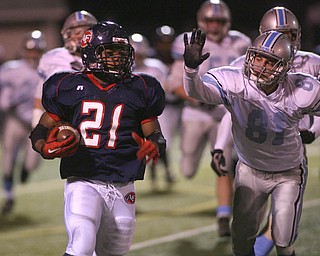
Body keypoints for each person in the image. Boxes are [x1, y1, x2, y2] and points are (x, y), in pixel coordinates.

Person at [29, 21, 166, 256]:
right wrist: (44, 147)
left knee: (115, 250)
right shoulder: (67, 85)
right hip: (84, 179)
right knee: (81, 245)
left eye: (121, 53)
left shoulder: (141, 87)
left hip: (123, 182)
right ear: (91, 53)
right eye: (110, 52)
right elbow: (40, 129)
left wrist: (154, 145)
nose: (118, 59)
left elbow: (154, 133)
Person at [183, 28, 320, 256]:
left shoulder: (302, 88)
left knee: (283, 239)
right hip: (250, 170)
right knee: (241, 242)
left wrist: (314, 130)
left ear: (284, 66)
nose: (260, 65)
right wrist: (190, 69)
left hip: (288, 173)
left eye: (269, 61)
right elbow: (200, 93)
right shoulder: (234, 79)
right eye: (257, 57)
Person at [168, 0, 251, 236]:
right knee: (188, 169)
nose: (214, 26)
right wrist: (199, 97)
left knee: (222, 163)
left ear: (228, 22)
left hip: (224, 113)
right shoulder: (187, 41)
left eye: (219, 21)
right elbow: (173, 83)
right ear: (201, 21)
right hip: (196, 113)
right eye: (210, 21)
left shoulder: (240, 43)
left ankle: (224, 215)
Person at [0, 30, 47, 214]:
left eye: (36, 51)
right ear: (23, 51)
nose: (33, 55)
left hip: (37, 124)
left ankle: (24, 173)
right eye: (30, 51)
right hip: (16, 119)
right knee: (9, 157)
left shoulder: (48, 69)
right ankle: (9, 195)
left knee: (31, 164)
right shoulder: (11, 69)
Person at [32, 10, 98, 128]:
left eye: (85, 31)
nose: (79, 35)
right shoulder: (52, 58)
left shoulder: (102, 57)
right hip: (59, 119)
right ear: (66, 34)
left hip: (93, 117)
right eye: (74, 31)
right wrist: (37, 117)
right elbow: (41, 92)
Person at [130, 32, 175, 190]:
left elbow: (167, 88)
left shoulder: (156, 66)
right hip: (135, 114)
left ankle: (167, 171)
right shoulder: (126, 69)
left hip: (158, 112)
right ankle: (153, 174)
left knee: (160, 141)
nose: (138, 58)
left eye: (140, 54)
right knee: (140, 143)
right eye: (136, 54)